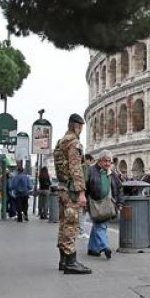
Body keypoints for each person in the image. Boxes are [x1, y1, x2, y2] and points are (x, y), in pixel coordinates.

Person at [52, 114, 91, 274]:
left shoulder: (60, 142)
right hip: (71, 190)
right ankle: (71, 262)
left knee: (63, 224)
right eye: (81, 127)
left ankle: (63, 260)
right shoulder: (74, 143)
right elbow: (76, 170)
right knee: (71, 225)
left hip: (62, 188)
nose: (81, 130)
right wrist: (81, 192)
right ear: (77, 126)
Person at [86, 150, 121, 259]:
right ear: (99, 161)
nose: (107, 164)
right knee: (100, 224)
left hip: (108, 203)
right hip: (94, 202)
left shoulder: (112, 173)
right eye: (105, 161)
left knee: (99, 224)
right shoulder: (91, 171)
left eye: (109, 161)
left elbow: (118, 188)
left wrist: (119, 202)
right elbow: (84, 186)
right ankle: (104, 246)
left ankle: (93, 248)